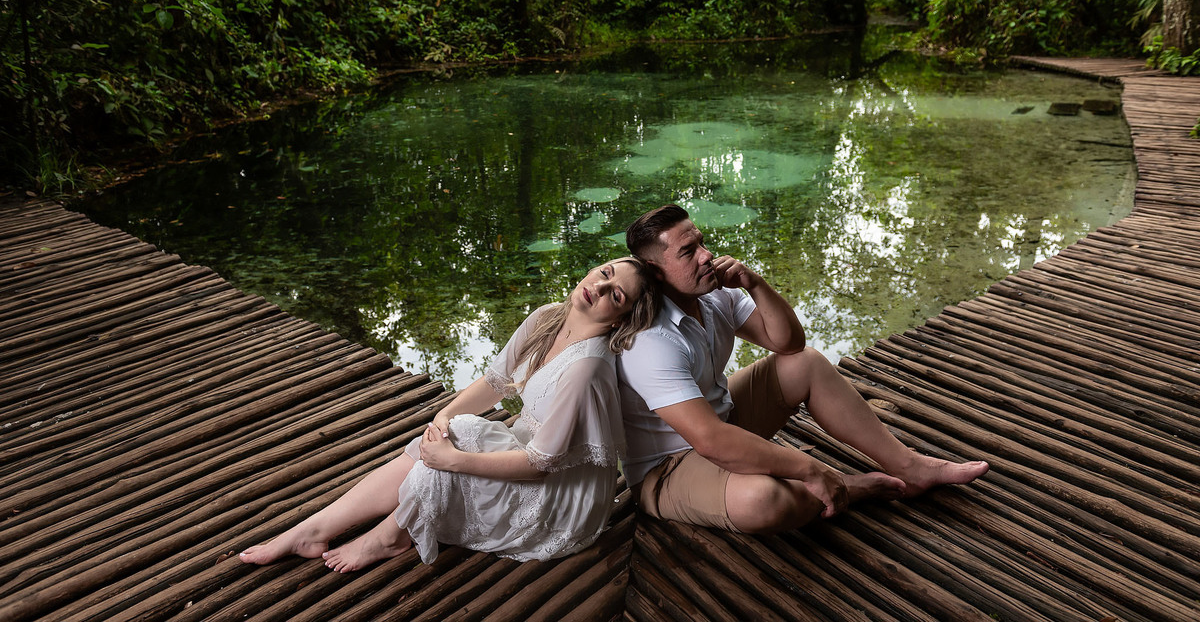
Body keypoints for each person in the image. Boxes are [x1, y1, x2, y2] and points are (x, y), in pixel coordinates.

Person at [240, 257, 660, 571]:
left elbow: (541, 466)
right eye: (605, 274)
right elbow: (494, 384)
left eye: (616, 295)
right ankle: (315, 528)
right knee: (453, 431)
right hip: (527, 450)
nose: (600, 288)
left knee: (446, 457)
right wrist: (443, 415)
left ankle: (386, 538)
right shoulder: (547, 318)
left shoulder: (586, 368)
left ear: (623, 317)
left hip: (560, 498)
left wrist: (453, 458)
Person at [617, 204, 989, 534]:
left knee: (805, 363)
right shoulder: (652, 342)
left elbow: (789, 343)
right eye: (688, 252)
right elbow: (709, 441)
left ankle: (910, 467)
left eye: (701, 242)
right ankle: (846, 486)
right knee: (763, 501)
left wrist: (753, 283)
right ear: (656, 271)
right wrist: (811, 468)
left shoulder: (713, 294)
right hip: (669, 468)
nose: (706, 255)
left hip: (723, 422)